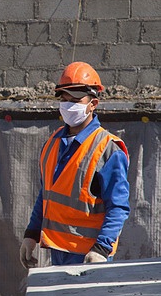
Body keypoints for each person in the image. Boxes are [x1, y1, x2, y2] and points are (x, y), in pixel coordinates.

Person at [20, 62, 130, 269]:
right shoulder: (53, 142)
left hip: (89, 254)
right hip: (58, 249)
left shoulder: (107, 148)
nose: (68, 105)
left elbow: (118, 206)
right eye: (64, 99)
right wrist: (31, 234)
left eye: (76, 100)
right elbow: (46, 194)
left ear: (93, 104)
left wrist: (102, 249)